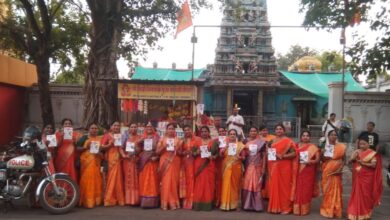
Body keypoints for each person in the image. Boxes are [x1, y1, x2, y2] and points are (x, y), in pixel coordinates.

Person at [347, 136, 383, 219]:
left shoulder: (372, 153)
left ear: (368, 144)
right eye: (360, 144)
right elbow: (349, 162)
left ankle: (365, 213)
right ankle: (354, 213)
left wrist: (363, 163)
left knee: (366, 195)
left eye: (364, 144)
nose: (362, 146)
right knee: (356, 195)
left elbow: (374, 165)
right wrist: (352, 158)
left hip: (367, 178)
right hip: (357, 176)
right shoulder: (356, 151)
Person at [267, 123, 297, 214]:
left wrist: (282, 156)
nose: (279, 130)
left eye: (280, 129)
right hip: (274, 166)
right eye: (277, 129)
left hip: (285, 167)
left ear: (284, 130)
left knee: (285, 187)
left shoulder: (288, 141)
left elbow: (294, 153)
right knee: (274, 186)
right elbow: (269, 152)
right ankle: (275, 207)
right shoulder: (271, 141)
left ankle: (285, 208)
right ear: (275, 131)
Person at [320, 130, 346, 218]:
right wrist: (322, 153)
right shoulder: (325, 147)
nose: (333, 136)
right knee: (327, 191)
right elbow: (323, 160)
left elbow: (344, 159)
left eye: (335, 135)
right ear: (328, 136)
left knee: (337, 191)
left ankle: (335, 209)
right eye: (331, 135)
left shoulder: (341, 147)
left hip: (337, 172)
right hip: (327, 171)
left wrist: (340, 168)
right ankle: (327, 209)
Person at [293, 130, 320, 216]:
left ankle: (304, 209)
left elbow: (317, 160)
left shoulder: (313, 147)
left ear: (310, 137)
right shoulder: (296, 146)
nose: (305, 137)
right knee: (298, 189)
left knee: (306, 190)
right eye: (303, 135)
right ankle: (297, 209)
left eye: (307, 135)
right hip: (298, 171)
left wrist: (310, 161)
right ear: (301, 137)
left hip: (308, 170)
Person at [157, 123, 183, 210]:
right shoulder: (162, 139)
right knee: (165, 181)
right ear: (166, 130)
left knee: (173, 182)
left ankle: (173, 202)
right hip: (164, 161)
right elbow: (157, 152)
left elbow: (180, 153)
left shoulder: (178, 140)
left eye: (172, 129)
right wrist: (164, 146)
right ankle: (165, 203)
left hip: (175, 161)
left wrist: (177, 149)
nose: (171, 130)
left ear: (174, 130)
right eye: (169, 129)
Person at [193, 126, 218, 211]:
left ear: (208, 132)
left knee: (209, 184)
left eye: (205, 131)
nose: (204, 133)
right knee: (199, 184)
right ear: (200, 133)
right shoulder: (197, 142)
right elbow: (193, 154)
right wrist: (196, 152)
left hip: (209, 165)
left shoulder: (213, 142)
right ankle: (198, 205)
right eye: (202, 131)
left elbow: (216, 154)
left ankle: (208, 205)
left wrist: (213, 157)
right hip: (199, 165)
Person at [78, 123, 103, 208]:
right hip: (87, 161)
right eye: (92, 128)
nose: (94, 130)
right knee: (87, 179)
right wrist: (86, 147)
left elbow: (102, 152)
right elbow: (77, 148)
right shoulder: (84, 138)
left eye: (96, 128)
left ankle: (96, 200)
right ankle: (86, 200)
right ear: (89, 129)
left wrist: (99, 153)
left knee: (97, 179)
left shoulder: (100, 139)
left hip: (96, 160)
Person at [242, 126, 266, 212]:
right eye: (251, 131)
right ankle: (247, 205)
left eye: (255, 131)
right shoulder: (245, 142)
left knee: (256, 185)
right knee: (247, 184)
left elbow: (264, 156)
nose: (253, 133)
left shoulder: (261, 142)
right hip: (248, 165)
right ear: (249, 132)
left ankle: (257, 205)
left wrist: (263, 167)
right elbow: (243, 153)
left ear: (257, 132)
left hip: (257, 165)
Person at [219, 129, 245, 211]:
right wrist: (225, 148)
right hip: (226, 167)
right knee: (226, 185)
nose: (232, 135)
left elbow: (243, 157)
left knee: (235, 186)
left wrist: (239, 157)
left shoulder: (240, 145)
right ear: (228, 135)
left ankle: (235, 205)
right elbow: (221, 155)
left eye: (234, 134)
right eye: (231, 134)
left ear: (236, 135)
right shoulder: (224, 145)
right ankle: (225, 204)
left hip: (236, 167)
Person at [101, 121, 125, 206]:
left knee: (118, 178)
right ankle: (109, 199)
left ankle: (119, 199)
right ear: (111, 127)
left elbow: (121, 148)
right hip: (110, 159)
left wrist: (124, 155)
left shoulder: (122, 136)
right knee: (110, 178)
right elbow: (101, 147)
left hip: (119, 159)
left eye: (118, 126)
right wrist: (109, 145)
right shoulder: (107, 135)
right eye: (115, 125)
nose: (116, 127)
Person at [138, 122, 160, 208]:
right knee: (144, 180)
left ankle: (153, 202)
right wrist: (140, 141)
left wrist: (156, 157)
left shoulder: (157, 137)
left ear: (153, 128)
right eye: (147, 126)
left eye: (151, 126)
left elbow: (160, 149)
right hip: (144, 161)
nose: (149, 128)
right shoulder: (142, 137)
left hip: (153, 160)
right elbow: (137, 147)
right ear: (145, 128)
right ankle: (144, 201)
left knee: (153, 181)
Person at [120, 123, 141, 206]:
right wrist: (124, 155)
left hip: (136, 161)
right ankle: (129, 199)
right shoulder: (125, 137)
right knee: (128, 179)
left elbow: (143, 149)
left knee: (136, 179)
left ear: (137, 128)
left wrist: (137, 150)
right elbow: (121, 148)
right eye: (132, 127)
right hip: (127, 161)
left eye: (135, 127)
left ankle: (136, 199)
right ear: (129, 129)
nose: (133, 128)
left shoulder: (140, 138)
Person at [180, 125, 200, 209]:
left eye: (188, 130)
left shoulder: (197, 139)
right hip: (184, 162)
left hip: (194, 162)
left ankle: (192, 201)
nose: (186, 131)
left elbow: (200, 149)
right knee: (185, 180)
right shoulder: (181, 140)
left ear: (191, 130)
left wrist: (195, 153)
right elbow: (178, 151)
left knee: (192, 180)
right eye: (185, 130)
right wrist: (183, 153)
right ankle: (186, 201)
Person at [55, 118, 80, 183]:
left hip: (72, 155)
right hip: (61, 155)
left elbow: (78, 146)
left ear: (72, 125)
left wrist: (75, 141)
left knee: (71, 169)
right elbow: (56, 145)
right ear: (62, 125)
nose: (67, 125)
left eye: (69, 124)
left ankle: (71, 188)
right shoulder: (58, 133)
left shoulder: (76, 134)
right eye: (66, 124)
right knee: (61, 170)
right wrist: (61, 136)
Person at [258, 124, 275, 199]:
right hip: (260, 159)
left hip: (270, 158)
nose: (265, 132)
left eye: (266, 130)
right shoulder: (257, 138)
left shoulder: (273, 138)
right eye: (263, 130)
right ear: (260, 131)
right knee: (261, 174)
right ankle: (261, 193)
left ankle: (269, 193)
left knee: (269, 174)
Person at [214, 126, 227, 208]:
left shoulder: (229, 140)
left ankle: (225, 200)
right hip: (218, 163)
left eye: (223, 131)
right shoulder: (215, 141)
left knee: (225, 181)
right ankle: (217, 200)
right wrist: (217, 147)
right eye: (220, 132)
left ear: (225, 132)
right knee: (218, 182)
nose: (221, 133)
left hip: (227, 162)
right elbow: (213, 152)